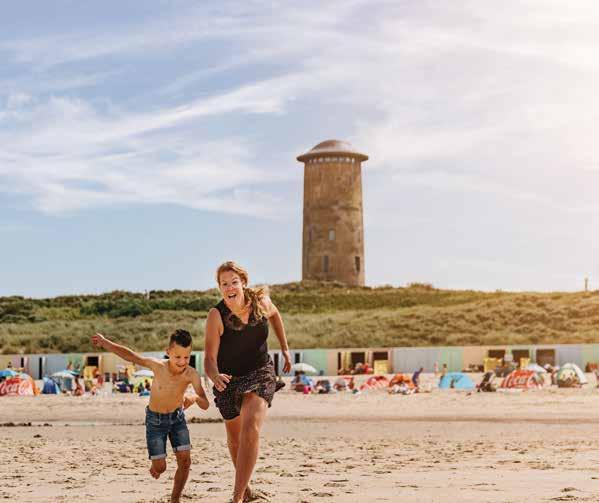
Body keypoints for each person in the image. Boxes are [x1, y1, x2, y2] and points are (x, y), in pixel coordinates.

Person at [201, 261, 292, 503]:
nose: (229, 287)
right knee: (235, 439)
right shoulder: (216, 315)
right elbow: (209, 358)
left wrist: (284, 348)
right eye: (224, 284)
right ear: (219, 288)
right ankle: (247, 489)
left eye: (234, 282)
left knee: (250, 428)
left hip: (260, 372)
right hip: (228, 379)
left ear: (243, 283)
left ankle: (237, 498)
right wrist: (214, 375)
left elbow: (275, 315)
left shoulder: (261, 302)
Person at [92, 329, 209, 503]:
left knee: (185, 461)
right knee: (160, 468)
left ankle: (175, 499)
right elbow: (131, 356)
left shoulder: (191, 374)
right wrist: (105, 342)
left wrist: (194, 398)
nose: (182, 362)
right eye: (177, 357)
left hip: (177, 419)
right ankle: (156, 466)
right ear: (168, 352)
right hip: (155, 421)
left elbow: (205, 403)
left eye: (186, 357)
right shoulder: (158, 366)